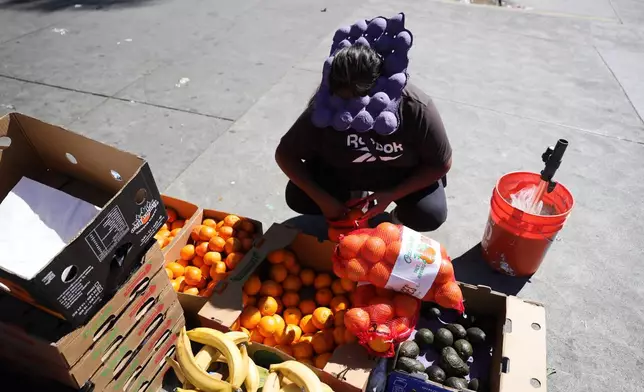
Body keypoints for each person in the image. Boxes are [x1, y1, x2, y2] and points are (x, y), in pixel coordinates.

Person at [275, 14, 452, 232]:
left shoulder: (414, 107)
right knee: (300, 197)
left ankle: (397, 215)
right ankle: (353, 196)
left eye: (357, 97)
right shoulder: (325, 107)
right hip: (342, 173)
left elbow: (440, 163)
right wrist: (324, 200)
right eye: (343, 98)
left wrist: (393, 194)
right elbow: (285, 153)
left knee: (429, 214)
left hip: (398, 177)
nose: (349, 107)